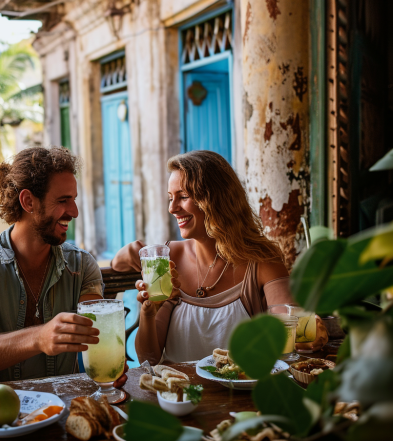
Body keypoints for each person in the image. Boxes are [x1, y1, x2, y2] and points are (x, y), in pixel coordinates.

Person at [112, 150, 328, 365]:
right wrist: (148, 312)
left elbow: (289, 319)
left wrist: (308, 329)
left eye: (183, 197)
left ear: (215, 199)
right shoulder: (168, 259)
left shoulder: (261, 261)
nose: (172, 208)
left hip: (239, 396)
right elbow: (147, 358)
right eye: (170, 198)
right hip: (176, 395)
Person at [0, 147, 127, 386]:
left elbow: (95, 335)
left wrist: (108, 361)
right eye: (63, 201)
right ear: (28, 201)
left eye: (74, 199)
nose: (74, 212)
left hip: (62, 413)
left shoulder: (82, 265)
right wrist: (38, 337)